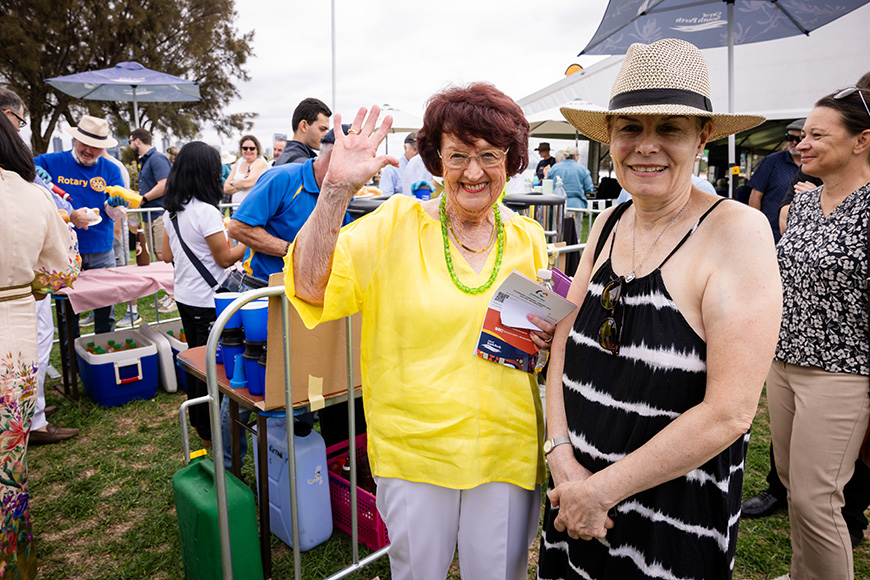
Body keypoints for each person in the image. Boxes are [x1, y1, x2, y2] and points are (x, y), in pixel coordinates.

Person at [287, 86, 555, 580]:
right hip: (416, 452)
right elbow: (309, 284)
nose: (473, 172)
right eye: (458, 156)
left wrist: (546, 343)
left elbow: (538, 340)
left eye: (489, 156)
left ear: (511, 160)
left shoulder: (528, 239)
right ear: (436, 159)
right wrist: (336, 191)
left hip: (506, 447)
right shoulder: (393, 226)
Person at [538, 38, 780, 580]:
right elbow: (560, 346)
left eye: (669, 128)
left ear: (703, 139)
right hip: (574, 495)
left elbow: (729, 412)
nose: (646, 146)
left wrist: (597, 493)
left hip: (670, 518)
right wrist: (561, 457)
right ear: (611, 139)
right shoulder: (606, 224)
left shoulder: (737, 233)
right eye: (631, 128)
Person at [766, 81, 870, 580]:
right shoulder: (801, 205)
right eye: (800, 134)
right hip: (783, 362)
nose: (800, 144)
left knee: (816, 498)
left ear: (861, 141)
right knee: (792, 486)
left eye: (816, 135)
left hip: (843, 372)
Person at [223, 125, 355, 469]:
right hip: (262, 292)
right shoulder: (282, 178)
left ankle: (293, 461)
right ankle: (228, 465)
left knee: (299, 379)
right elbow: (238, 227)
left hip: (307, 296)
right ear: (328, 155)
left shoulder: (344, 191)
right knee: (247, 384)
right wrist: (293, 253)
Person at [0, 106, 78, 579]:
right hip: (11, 339)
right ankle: (14, 563)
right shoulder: (30, 196)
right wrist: (28, 283)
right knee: (8, 462)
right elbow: (62, 271)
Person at [1, 88, 79, 445]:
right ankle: (33, 421)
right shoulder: (27, 193)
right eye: (18, 124)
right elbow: (61, 270)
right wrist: (69, 228)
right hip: (13, 323)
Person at [161, 142, 247, 448]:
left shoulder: (171, 211)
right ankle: (212, 427)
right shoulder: (206, 212)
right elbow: (225, 259)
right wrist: (248, 241)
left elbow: (165, 253)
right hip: (211, 299)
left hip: (185, 296)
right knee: (214, 365)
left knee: (196, 360)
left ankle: (200, 424)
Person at [34, 115, 129, 337]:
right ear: (76, 139)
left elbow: (114, 213)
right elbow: (25, 171)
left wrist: (114, 205)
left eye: (96, 146)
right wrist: (35, 174)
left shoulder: (111, 170)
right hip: (62, 248)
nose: (89, 150)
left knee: (105, 307)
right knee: (67, 311)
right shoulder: (50, 161)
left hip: (100, 247)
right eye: (85, 143)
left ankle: (104, 354)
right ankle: (71, 364)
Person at [747, 118, 805, 242]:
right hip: (771, 235)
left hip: (803, 236)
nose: (794, 142)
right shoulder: (772, 161)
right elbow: (755, 196)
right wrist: (756, 228)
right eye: (790, 138)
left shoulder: (817, 164)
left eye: (799, 138)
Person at [274, 98, 332, 166]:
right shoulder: (303, 165)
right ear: (304, 126)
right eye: (322, 129)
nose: (325, 135)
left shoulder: (285, 158)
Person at [223, 135, 268, 205]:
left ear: (257, 149)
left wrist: (232, 182)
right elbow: (225, 188)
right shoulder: (239, 163)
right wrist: (241, 184)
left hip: (252, 209)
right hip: (235, 209)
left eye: (252, 148)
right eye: (245, 148)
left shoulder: (260, 162)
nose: (248, 151)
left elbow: (246, 183)